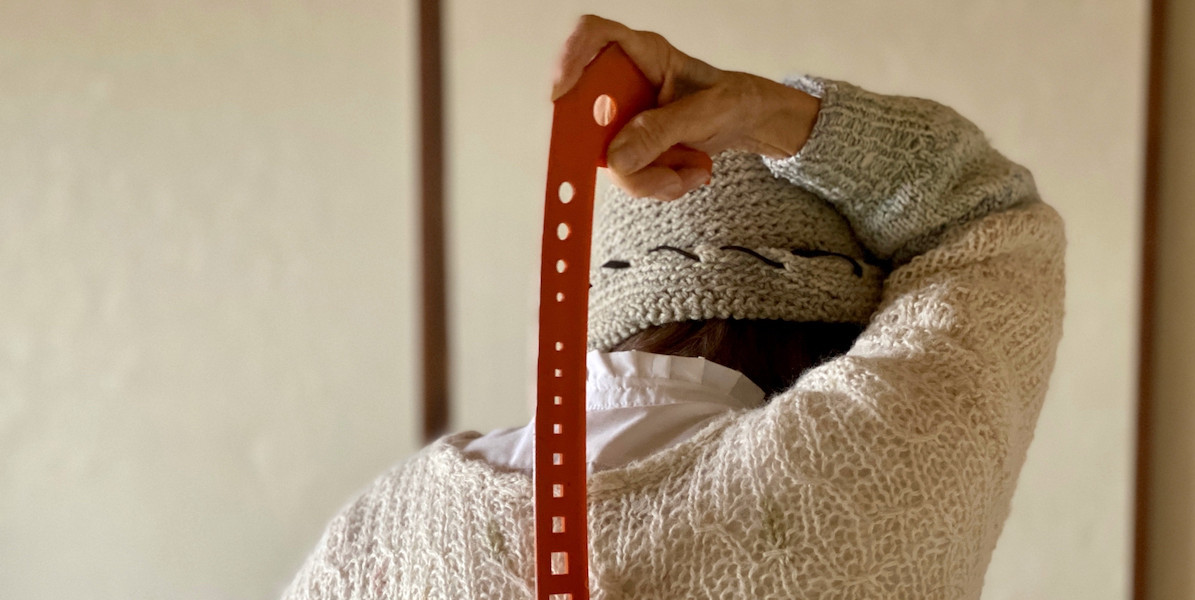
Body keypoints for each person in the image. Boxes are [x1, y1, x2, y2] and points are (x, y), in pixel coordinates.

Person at [282, 15, 1065, 600]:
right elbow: (985, 218)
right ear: (852, 321)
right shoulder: (865, 467)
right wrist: (767, 114)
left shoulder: (381, 536)